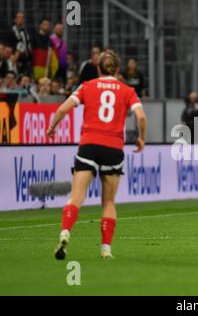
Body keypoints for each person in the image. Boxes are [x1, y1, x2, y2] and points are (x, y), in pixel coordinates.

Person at [46, 51, 148, 260]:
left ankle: (65, 232)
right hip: (113, 147)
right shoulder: (127, 90)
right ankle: (106, 249)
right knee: (109, 202)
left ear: (98, 69)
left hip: (89, 145)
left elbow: (63, 109)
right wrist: (141, 138)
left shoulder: (87, 86)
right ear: (118, 70)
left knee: (76, 196)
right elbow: (141, 116)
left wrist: (52, 126)